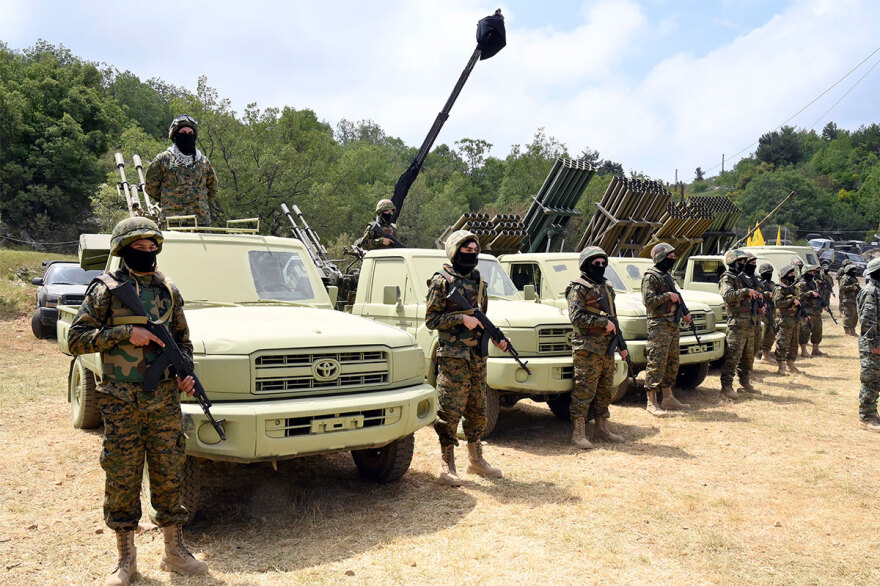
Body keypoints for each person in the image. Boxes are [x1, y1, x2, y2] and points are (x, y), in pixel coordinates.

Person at [67, 217, 208, 584]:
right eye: (138, 247)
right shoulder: (106, 290)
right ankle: (126, 559)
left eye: (151, 247)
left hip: (163, 398)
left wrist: (186, 373)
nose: (146, 253)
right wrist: (128, 333)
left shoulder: (168, 290)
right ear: (122, 249)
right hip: (120, 398)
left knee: (169, 470)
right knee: (122, 473)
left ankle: (174, 551)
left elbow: (183, 340)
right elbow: (76, 340)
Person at [426, 229, 505, 485]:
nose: (471, 254)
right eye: (465, 250)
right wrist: (461, 318)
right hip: (453, 357)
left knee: (477, 409)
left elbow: (482, 317)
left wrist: (497, 336)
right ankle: (446, 464)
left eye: (474, 251)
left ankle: (476, 460)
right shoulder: (442, 281)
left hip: (477, 357)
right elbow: (431, 320)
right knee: (449, 410)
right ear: (454, 251)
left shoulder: (479, 281)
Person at [566, 246, 628, 448]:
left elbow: (613, 318)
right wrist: (602, 323)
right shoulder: (579, 288)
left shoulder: (606, 288)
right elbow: (576, 317)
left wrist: (621, 343)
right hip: (587, 348)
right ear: (586, 264)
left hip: (606, 347)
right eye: (596, 263)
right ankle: (578, 433)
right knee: (584, 390)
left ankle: (602, 428)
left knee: (605, 390)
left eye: (603, 263)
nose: (600, 266)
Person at [640, 242, 690, 415]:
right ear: (660, 257)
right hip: (659, 325)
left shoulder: (666, 275)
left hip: (672, 325)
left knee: (672, 361)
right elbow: (648, 301)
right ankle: (651, 402)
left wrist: (684, 312)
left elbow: (677, 297)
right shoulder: (651, 277)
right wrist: (668, 295)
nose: (673, 258)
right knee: (657, 362)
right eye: (670, 256)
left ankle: (668, 398)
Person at [144, 114, 219, 227]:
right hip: (172, 222)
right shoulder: (164, 159)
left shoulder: (204, 162)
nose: (187, 136)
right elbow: (150, 187)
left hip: (200, 223)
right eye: (183, 133)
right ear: (175, 136)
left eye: (190, 133)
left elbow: (212, 189)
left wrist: (198, 200)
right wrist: (169, 199)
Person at [719, 249, 762, 399]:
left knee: (748, 357)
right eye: (740, 262)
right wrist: (745, 291)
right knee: (733, 357)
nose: (743, 264)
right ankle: (726, 387)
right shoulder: (727, 278)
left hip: (750, 323)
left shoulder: (743, 277)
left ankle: (745, 383)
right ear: (732, 262)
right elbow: (728, 296)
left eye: (744, 261)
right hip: (737, 324)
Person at [858, 258, 880, 432]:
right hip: (872, 344)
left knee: (876, 381)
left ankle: (872, 413)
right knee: (870, 381)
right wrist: (874, 343)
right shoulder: (871, 291)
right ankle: (866, 418)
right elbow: (868, 321)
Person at [773, 265, 804, 375]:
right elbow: (777, 303)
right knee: (783, 344)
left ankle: (791, 365)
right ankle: (781, 367)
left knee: (794, 344)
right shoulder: (779, 289)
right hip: (784, 320)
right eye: (790, 274)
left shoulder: (793, 288)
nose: (793, 276)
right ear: (784, 276)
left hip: (795, 320)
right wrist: (791, 301)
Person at [795, 264, 825, 357]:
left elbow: (818, 296)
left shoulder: (814, 283)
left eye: (813, 272)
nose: (812, 274)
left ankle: (815, 349)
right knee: (805, 331)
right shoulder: (800, 284)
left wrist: (824, 305)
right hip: (806, 311)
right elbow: (799, 296)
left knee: (818, 330)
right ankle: (803, 351)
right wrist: (810, 293)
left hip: (816, 311)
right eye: (810, 272)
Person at [757, 262, 777, 364]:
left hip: (772, 311)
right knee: (760, 334)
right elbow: (756, 294)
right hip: (762, 312)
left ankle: (765, 355)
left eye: (770, 272)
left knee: (771, 333)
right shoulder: (758, 283)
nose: (769, 273)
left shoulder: (772, 284)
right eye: (767, 272)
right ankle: (756, 355)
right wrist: (766, 294)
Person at [840, 264, 861, 336]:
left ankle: (852, 331)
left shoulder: (854, 278)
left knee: (855, 316)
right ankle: (847, 331)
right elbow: (842, 288)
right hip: (848, 299)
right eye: (852, 270)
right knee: (849, 315)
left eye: (855, 270)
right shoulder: (845, 278)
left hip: (855, 299)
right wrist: (851, 287)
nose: (854, 271)